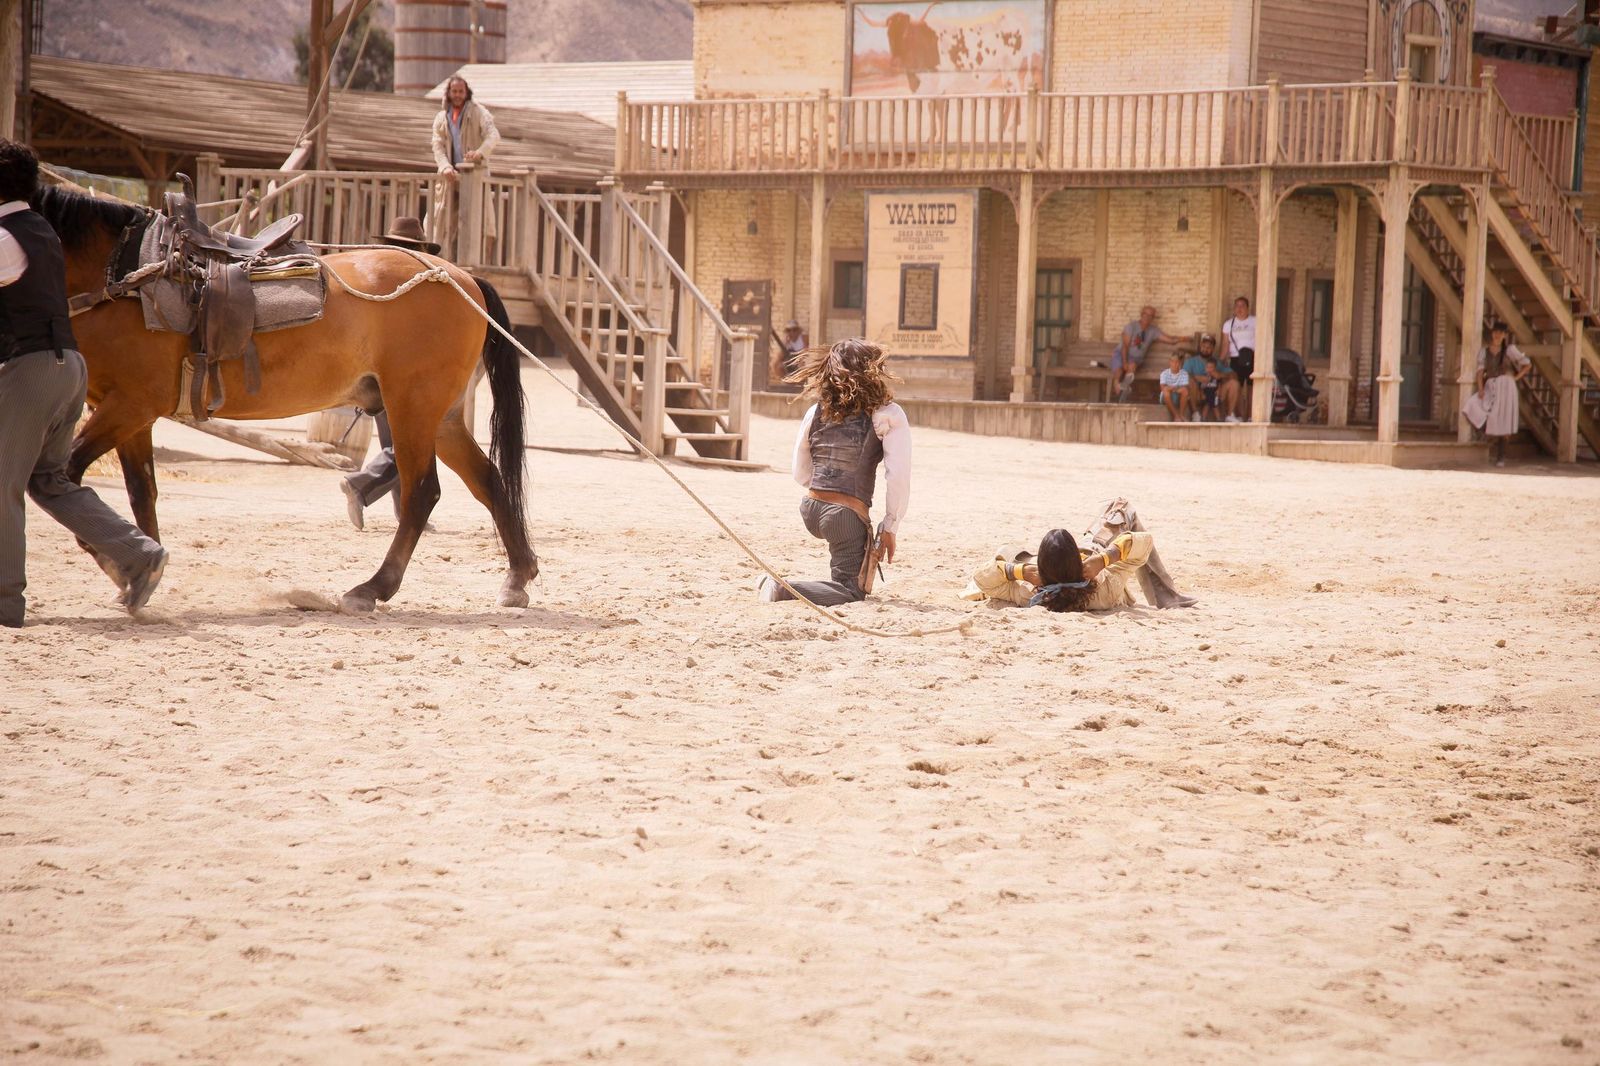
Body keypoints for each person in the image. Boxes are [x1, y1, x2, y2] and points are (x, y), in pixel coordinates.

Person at [0, 140, 168, 626]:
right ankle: (140, 555)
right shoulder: (40, 230)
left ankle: (5, 602)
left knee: (3, 483)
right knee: (48, 480)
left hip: (28, 372)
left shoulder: (6, 238)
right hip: (67, 369)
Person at [759, 338, 910, 606]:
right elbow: (897, 476)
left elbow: (800, 471)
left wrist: (827, 491)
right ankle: (780, 587)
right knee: (852, 592)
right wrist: (890, 525)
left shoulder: (816, 410)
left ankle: (811, 584)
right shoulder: (888, 414)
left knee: (841, 571)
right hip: (844, 516)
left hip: (810, 508)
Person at [338, 218, 442, 530]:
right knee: (412, 445)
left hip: (376, 372)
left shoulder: (376, 280)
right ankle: (361, 485)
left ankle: (405, 511)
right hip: (402, 375)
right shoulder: (413, 284)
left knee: (394, 444)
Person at [961, 498, 1196, 612]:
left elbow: (982, 577)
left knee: (1006, 552)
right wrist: (1103, 559)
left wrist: (1021, 571)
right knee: (1121, 508)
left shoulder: (1026, 592)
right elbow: (1143, 544)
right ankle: (1166, 595)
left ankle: (1026, 563)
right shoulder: (1106, 585)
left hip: (1049, 570)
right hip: (1091, 553)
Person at [429, 76, 501, 254]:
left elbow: (493, 135)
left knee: (479, 219)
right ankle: (441, 257)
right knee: (441, 219)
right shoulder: (441, 117)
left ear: (466, 92)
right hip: (450, 177)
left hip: (474, 176)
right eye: (454, 91)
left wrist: (479, 153)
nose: (458, 95)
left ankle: (477, 256)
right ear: (449, 93)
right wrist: (444, 166)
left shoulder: (478, 112)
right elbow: (437, 144)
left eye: (461, 91)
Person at [1462, 321, 1531, 467]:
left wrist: (1515, 377)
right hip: (1490, 385)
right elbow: (1480, 372)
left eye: (1501, 332)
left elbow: (1527, 364)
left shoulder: (1509, 350)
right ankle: (1485, 434)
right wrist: (1480, 388)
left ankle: (1501, 456)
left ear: (1505, 335)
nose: (1497, 335)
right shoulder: (1484, 351)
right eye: (1495, 332)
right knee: (1472, 405)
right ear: (1492, 333)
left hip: (1506, 387)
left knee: (1503, 420)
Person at [1111, 305, 1183, 402]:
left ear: (1153, 318)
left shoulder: (1153, 331)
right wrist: (1124, 362)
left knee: (1132, 366)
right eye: (1146, 314)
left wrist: (1184, 338)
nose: (1148, 317)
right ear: (1141, 314)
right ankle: (1120, 389)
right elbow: (1125, 346)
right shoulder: (1131, 326)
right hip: (1121, 354)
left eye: (1151, 316)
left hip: (1136, 359)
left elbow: (1171, 340)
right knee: (1119, 372)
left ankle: (1123, 391)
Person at [1221, 296, 1257, 420]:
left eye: (1242, 306)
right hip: (1236, 358)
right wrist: (1220, 361)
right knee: (1238, 387)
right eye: (1237, 306)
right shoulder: (1228, 324)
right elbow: (1225, 344)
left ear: (1248, 308)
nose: (1239, 308)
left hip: (1253, 357)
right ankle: (1240, 415)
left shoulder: (1255, 321)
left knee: (1252, 388)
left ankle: (1251, 415)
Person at [771, 319, 808, 386]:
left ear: (798, 331)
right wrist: (785, 344)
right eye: (789, 330)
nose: (792, 332)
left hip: (800, 362)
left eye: (794, 330)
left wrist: (801, 359)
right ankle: (786, 382)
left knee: (803, 365)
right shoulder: (786, 342)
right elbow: (778, 359)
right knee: (777, 365)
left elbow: (807, 351)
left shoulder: (803, 338)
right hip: (790, 365)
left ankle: (800, 383)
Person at [1158, 353, 1191, 422]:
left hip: (1178, 397)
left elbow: (1185, 388)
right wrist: (1175, 388)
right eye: (1172, 361)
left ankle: (1181, 415)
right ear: (1170, 362)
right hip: (1166, 398)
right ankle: (1176, 416)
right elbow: (1163, 388)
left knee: (1185, 391)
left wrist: (1171, 388)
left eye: (1177, 362)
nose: (1175, 364)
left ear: (1180, 363)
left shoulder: (1184, 373)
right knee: (1166, 392)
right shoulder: (1164, 373)